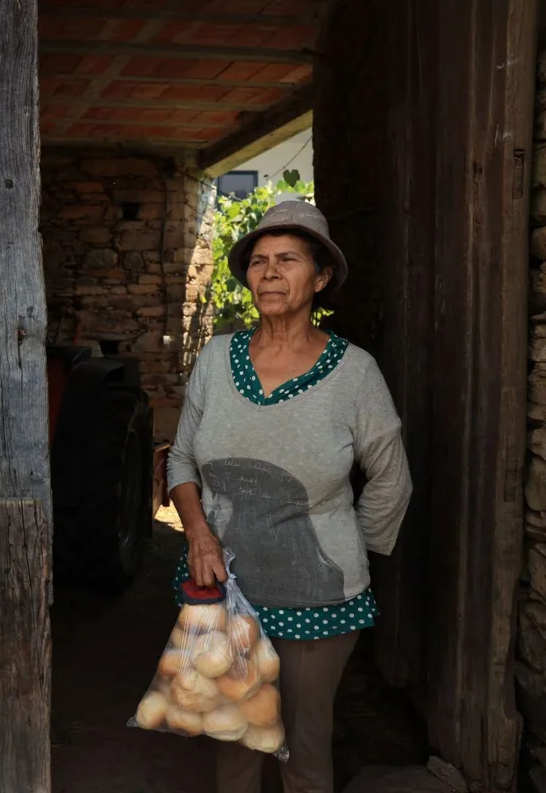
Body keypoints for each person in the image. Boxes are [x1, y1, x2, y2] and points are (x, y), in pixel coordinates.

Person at [167, 200, 412, 792]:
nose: (270, 272)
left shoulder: (355, 374)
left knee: (302, 753)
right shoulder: (215, 360)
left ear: (320, 278)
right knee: (235, 744)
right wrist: (198, 533)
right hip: (225, 587)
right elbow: (180, 458)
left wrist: (342, 555)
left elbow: (391, 479)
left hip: (319, 601)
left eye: (288, 260)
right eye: (258, 261)